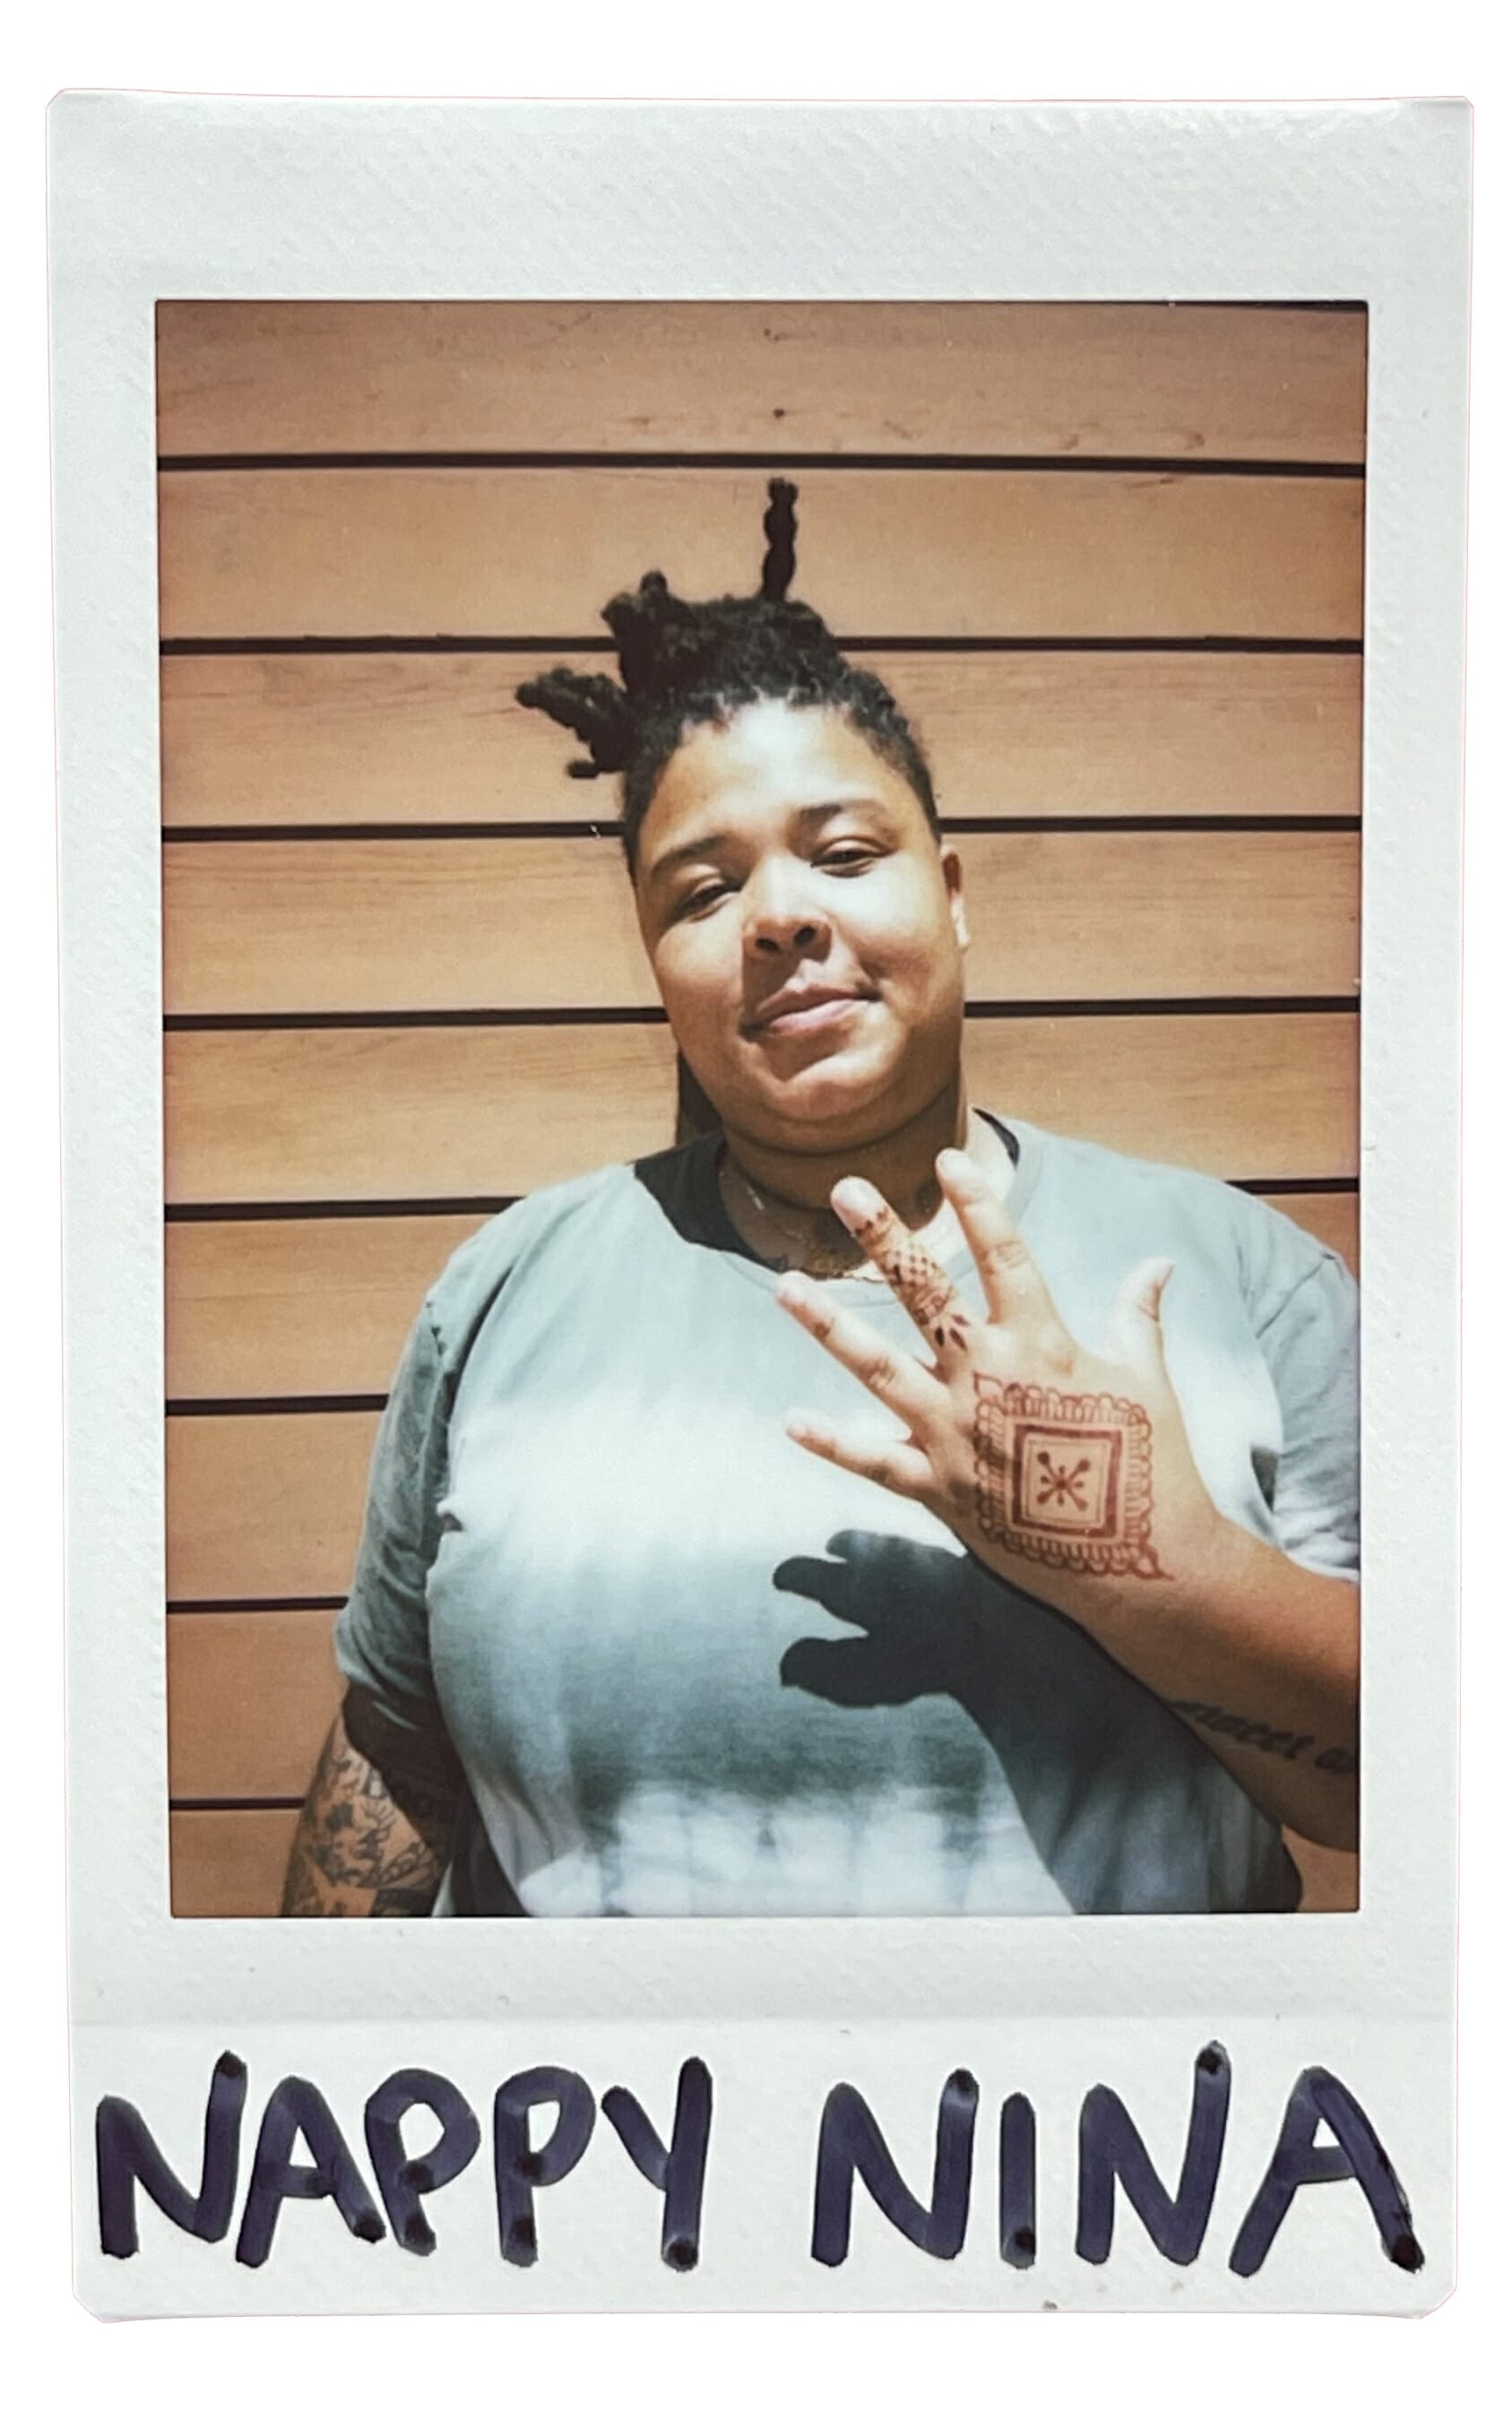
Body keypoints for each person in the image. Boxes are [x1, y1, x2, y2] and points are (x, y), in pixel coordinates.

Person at [281, 480, 1360, 1921]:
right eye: (700, 892)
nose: (781, 917)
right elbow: (395, 1754)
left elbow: (1432, 1777)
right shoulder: (500, 1294)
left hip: (1103, 2083)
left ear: (954, 894)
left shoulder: (1236, 1276)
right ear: (655, 961)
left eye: (844, 855)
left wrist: (1156, 1572)